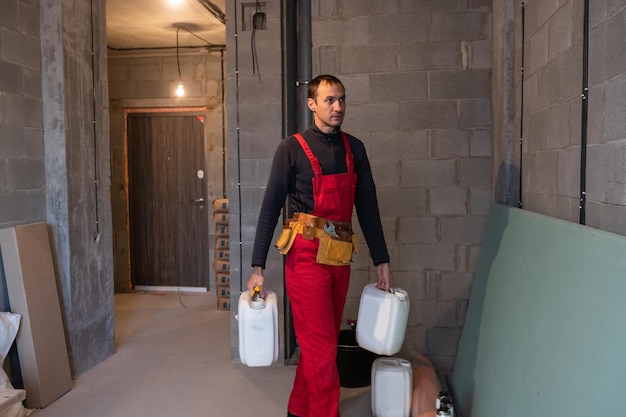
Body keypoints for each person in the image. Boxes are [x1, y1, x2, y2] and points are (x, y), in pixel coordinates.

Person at [247, 74, 392, 417]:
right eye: (329, 100)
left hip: (340, 257)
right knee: (323, 351)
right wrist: (257, 268)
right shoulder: (291, 149)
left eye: (342, 99)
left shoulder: (354, 149)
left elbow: (368, 207)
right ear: (311, 104)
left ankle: (298, 411)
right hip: (305, 258)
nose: (338, 106)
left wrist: (381, 260)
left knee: (316, 347)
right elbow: (270, 208)